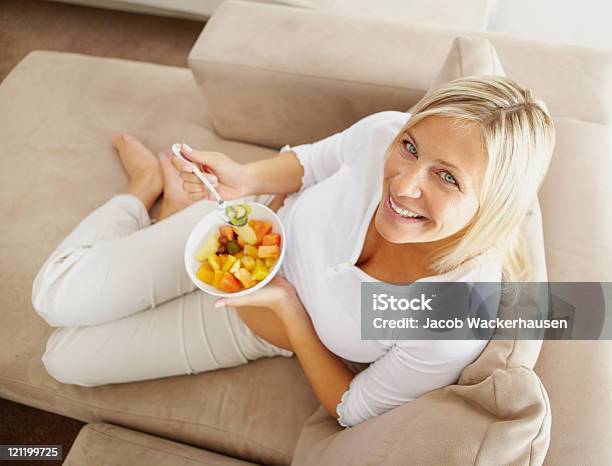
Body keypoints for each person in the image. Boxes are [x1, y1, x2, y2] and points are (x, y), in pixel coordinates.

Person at [31, 75, 555, 428]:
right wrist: (243, 180)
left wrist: (287, 309)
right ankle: (140, 191)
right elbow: (310, 163)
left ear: (493, 206)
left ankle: (160, 203)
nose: (402, 183)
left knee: (64, 358)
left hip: (249, 322)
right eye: (411, 148)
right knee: (56, 298)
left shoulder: (451, 313)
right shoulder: (382, 136)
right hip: (250, 224)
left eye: (445, 177)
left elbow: (352, 407)